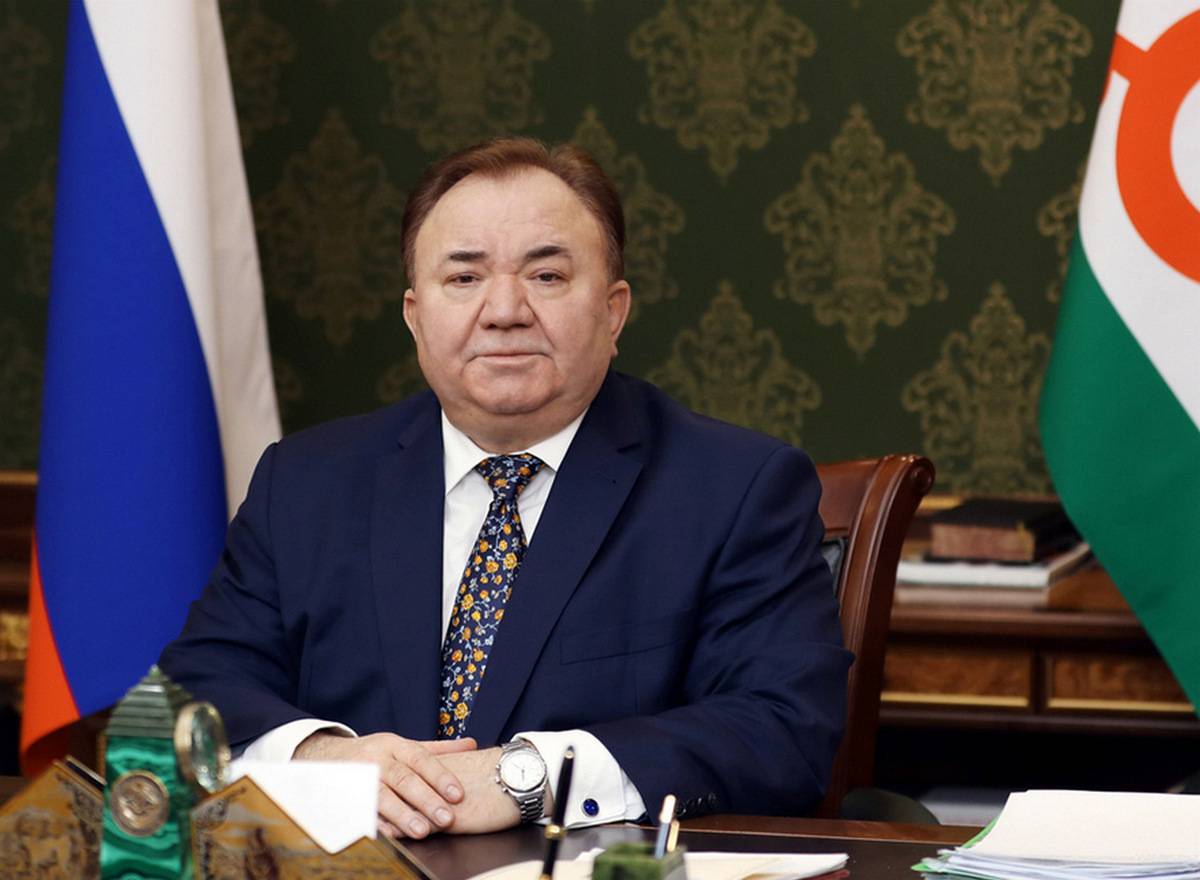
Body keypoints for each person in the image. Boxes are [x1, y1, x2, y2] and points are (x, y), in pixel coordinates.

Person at [160, 137, 851, 841]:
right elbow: (191, 696)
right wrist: (323, 758)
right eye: (463, 278)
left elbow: (782, 727)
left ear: (614, 310)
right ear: (414, 315)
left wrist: (527, 778)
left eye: (546, 276)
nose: (504, 310)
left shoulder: (735, 488)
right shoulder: (306, 483)